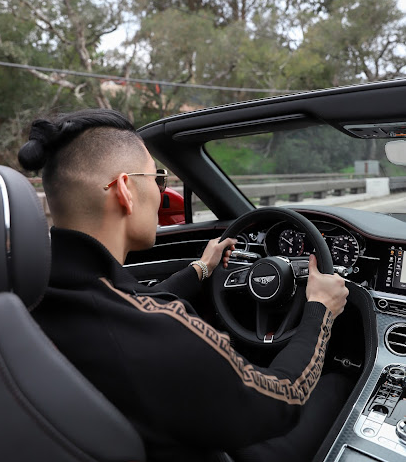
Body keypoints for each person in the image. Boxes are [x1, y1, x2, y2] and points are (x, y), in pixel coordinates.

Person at [18, 108, 349, 462]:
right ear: (126, 190)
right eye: (158, 178)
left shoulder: (30, 292)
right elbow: (285, 398)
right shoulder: (160, 331)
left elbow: (132, 303)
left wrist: (202, 269)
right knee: (336, 384)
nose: (163, 192)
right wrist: (319, 311)